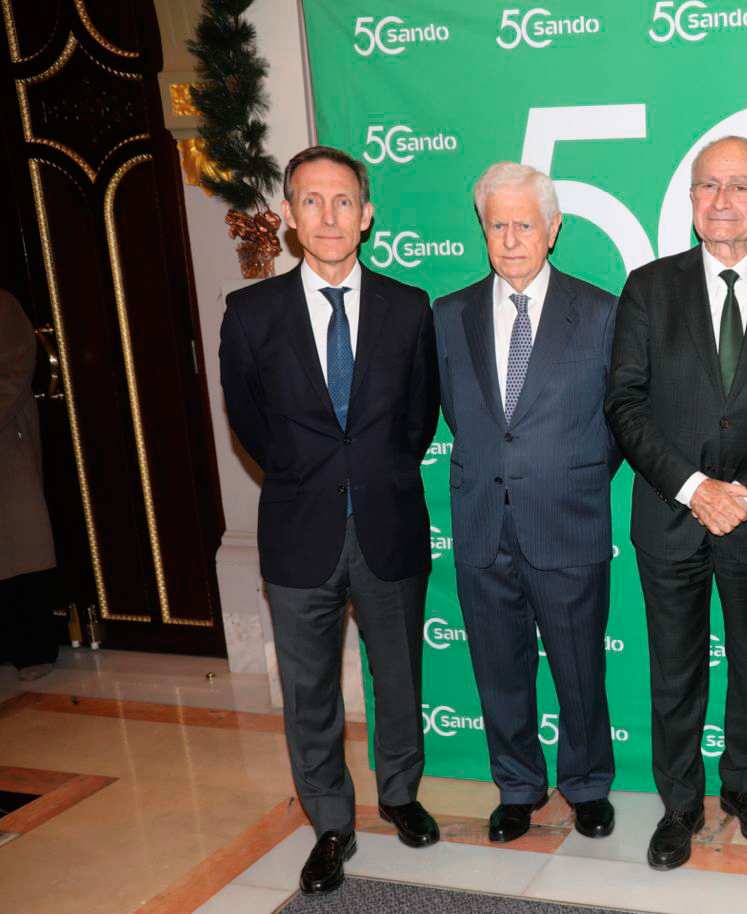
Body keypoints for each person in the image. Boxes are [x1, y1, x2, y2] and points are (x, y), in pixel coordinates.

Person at [604, 136, 747, 871]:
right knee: (674, 669)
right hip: (671, 516)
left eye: (741, 186)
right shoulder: (647, 287)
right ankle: (679, 805)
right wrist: (693, 487)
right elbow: (625, 403)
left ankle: (745, 787)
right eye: (709, 185)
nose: (724, 199)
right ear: (691, 200)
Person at [219, 146, 442, 895]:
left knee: (400, 675)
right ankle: (332, 824)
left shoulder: (410, 309)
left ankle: (402, 795)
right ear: (287, 216)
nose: (328, 216)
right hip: (298, 530)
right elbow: (250, 424)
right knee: (310, 689)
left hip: (389, 524)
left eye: (343, 201)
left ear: (367, 214)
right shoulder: (249, 314)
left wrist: (370, 473)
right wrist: (312, 474)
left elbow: (418, 420)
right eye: (310, 201)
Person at [434, 163, 620, 844]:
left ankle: (588, 784)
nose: (511, 238)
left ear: (553, 230)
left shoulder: (599, 312)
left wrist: (569, 476)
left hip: (566, 520)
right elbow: (459, 413)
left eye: (525, 224)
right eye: (497, 224)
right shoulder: (448, 315)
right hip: (483, 524)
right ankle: (517, 785)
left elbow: (620, 422)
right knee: (498, 667)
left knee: (578, 667)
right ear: (483, 229)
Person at [0, 288, 60, 681]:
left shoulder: (3, 305)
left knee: (21, 546)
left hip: (7, 444)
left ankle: (34, 650)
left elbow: (15, 371)